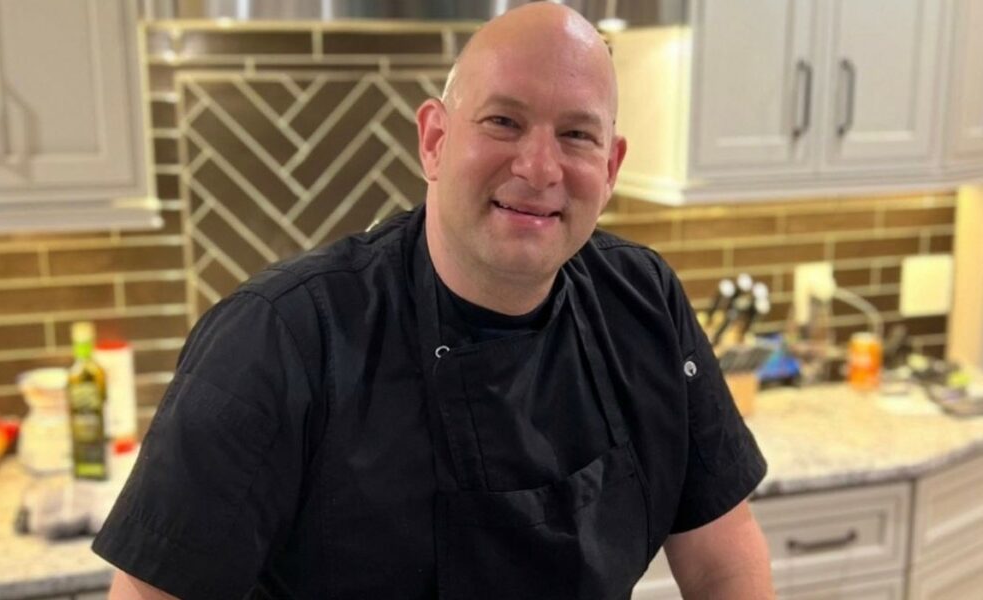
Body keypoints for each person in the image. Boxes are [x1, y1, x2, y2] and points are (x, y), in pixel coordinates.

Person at [95, 3, 774, 598]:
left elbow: (723, 561)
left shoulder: (644, 303)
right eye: (503, 121)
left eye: (576, 134)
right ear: (435, 140)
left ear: (612, 165)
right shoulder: (279, 340)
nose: (539, 168)